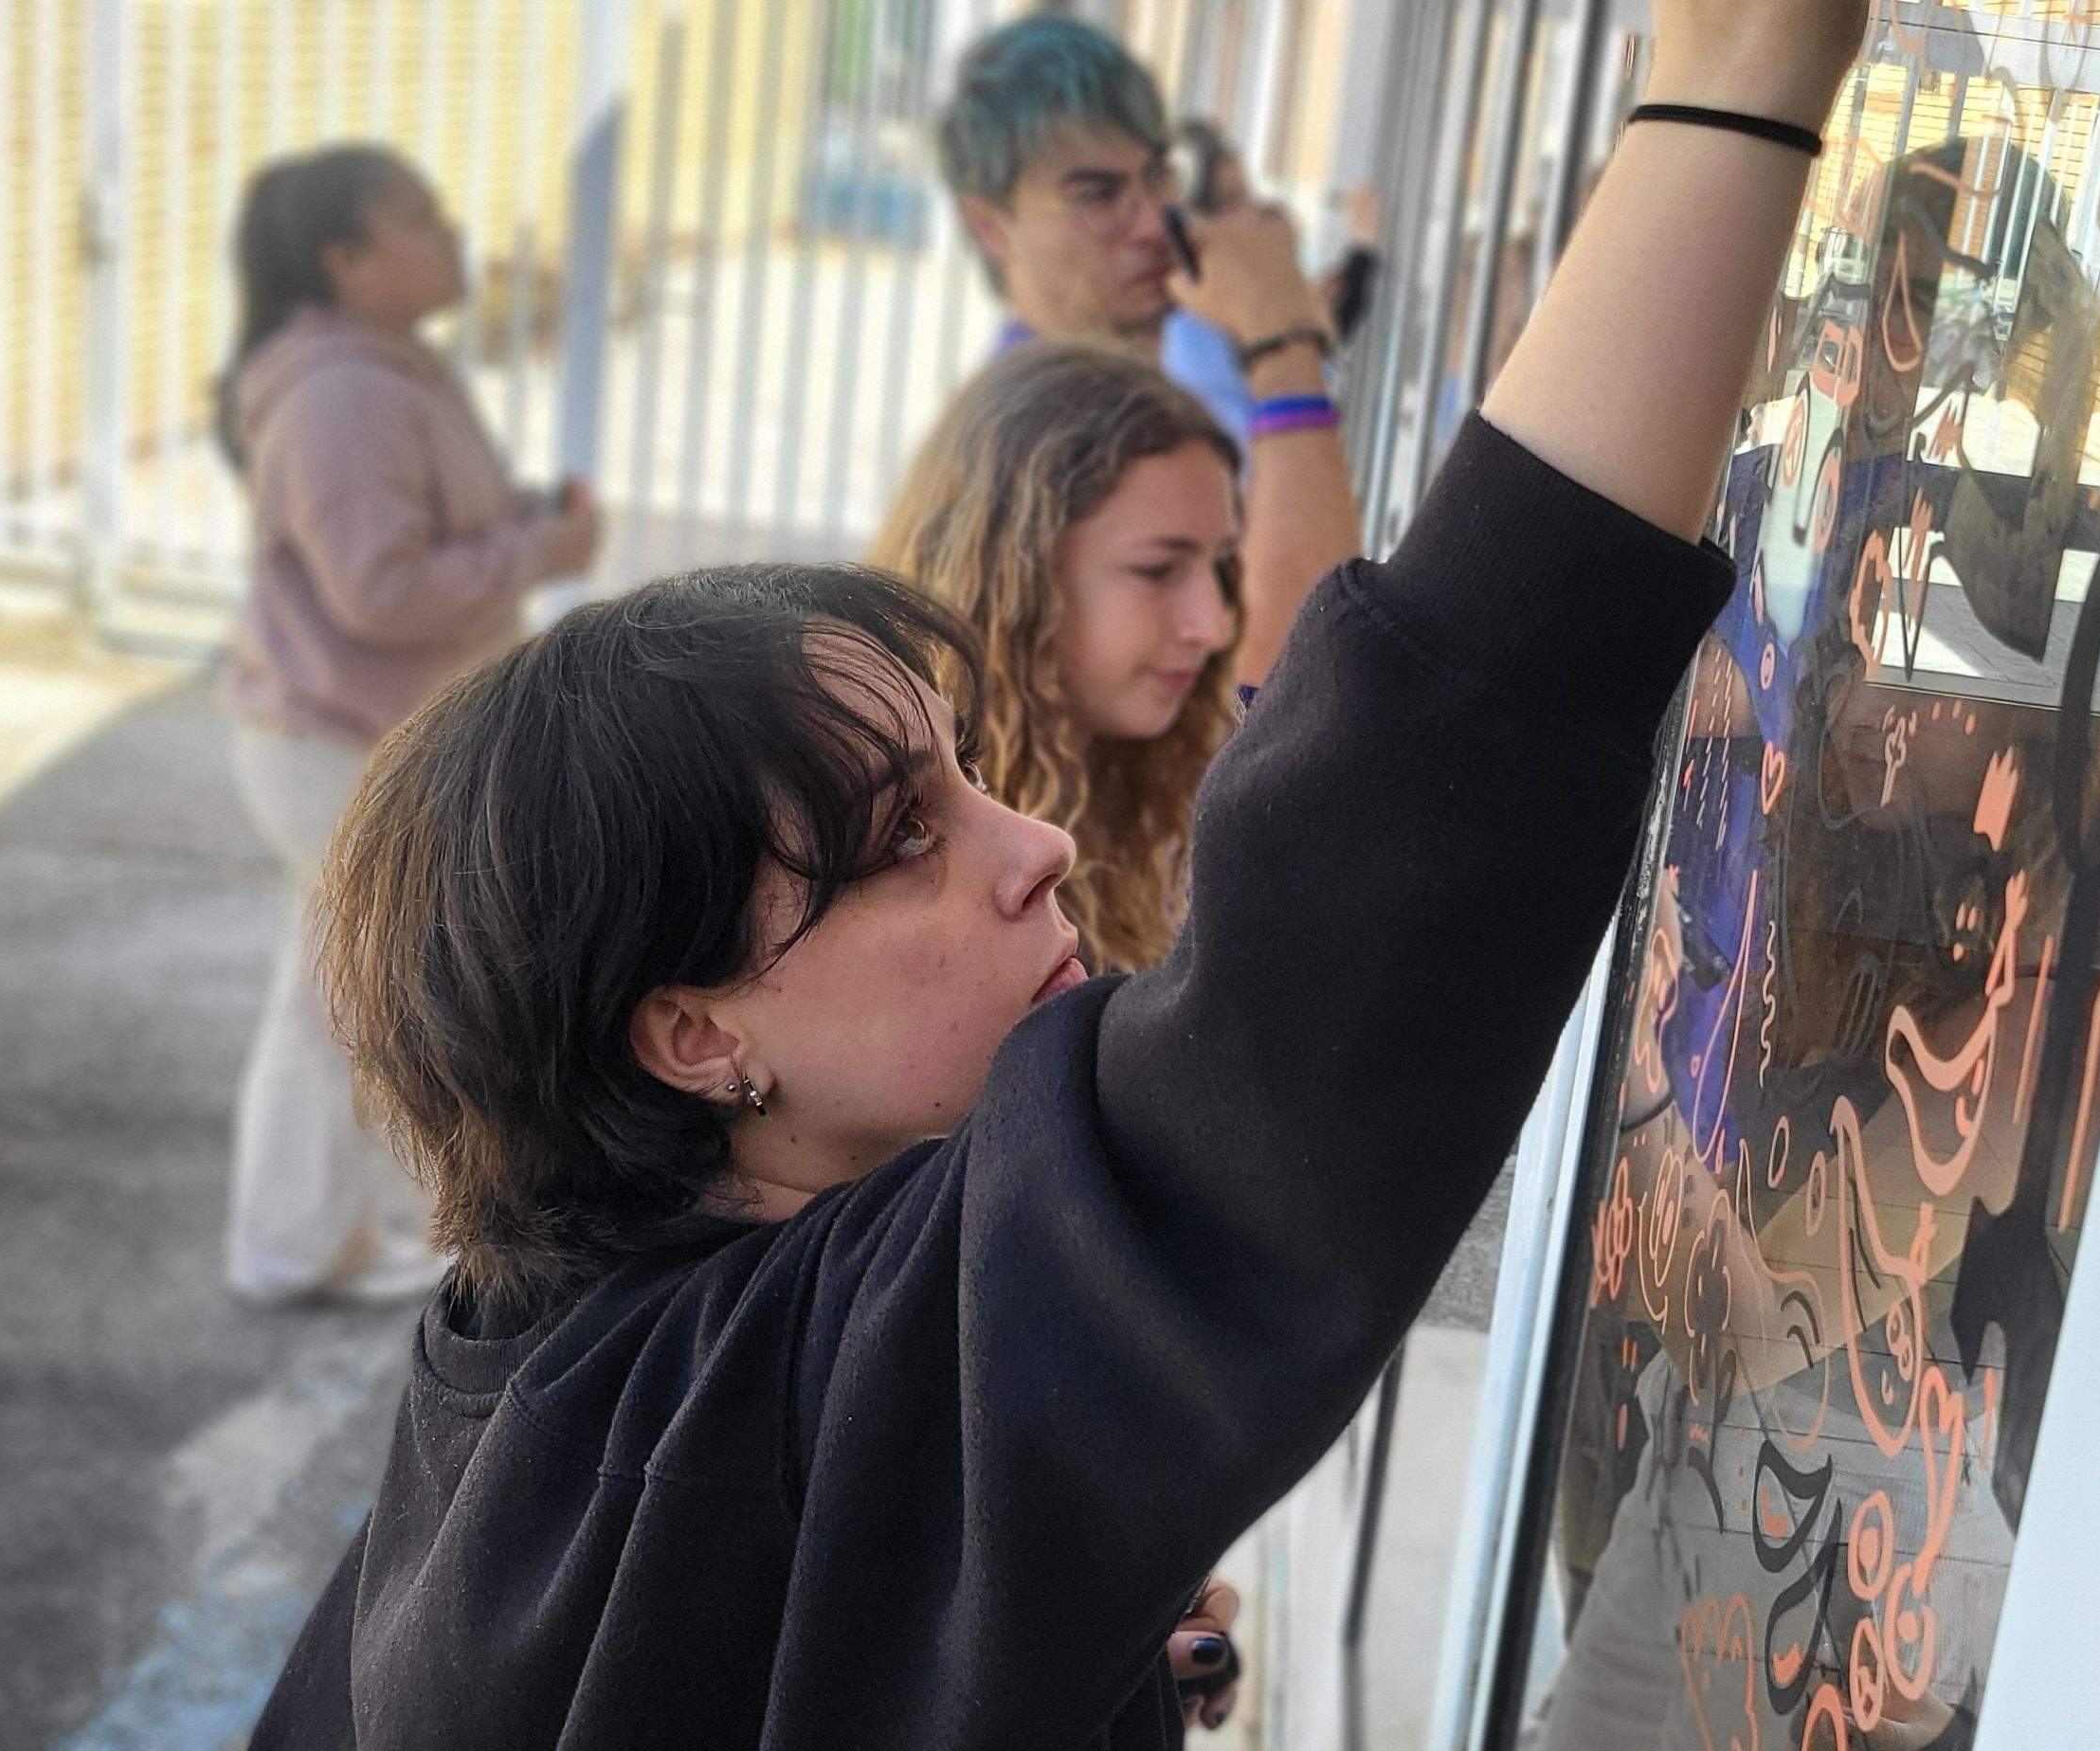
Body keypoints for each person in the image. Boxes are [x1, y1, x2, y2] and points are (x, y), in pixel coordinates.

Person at [249, 0, 1862, 1742]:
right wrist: (1733, 87)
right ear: (694, 1033)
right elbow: (1344, 939)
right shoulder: (764, 1407)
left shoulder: (528, 1359)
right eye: (903, 841)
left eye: (969, 777)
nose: (1037, 845)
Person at [212, 143, 601, 1305]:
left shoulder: (381, 371)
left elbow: (417, 534)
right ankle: (297, 1245)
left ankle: (303, 1241)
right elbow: (376, 590)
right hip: (338, 746)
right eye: (417, 217)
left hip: (355, 740)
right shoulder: (343, 392)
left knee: (329, 1000)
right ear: (344, 259)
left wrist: (520, 524)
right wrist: (539, 552)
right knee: (354, 1002)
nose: (450, 234)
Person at [938, 17, 1359, 688]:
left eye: (1158, 176)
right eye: (1097, 195)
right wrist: (1282, 338)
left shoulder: (1162, 370)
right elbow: (1293, 674)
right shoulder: (1042, 439)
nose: (1152, 224)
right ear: (991, 225)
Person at [869, 342, 1240, 973]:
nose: (1213, 625)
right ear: (1014, 579)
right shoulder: (892, 841)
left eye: (1221, 566)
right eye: (1157, 570)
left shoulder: (1169, 789)